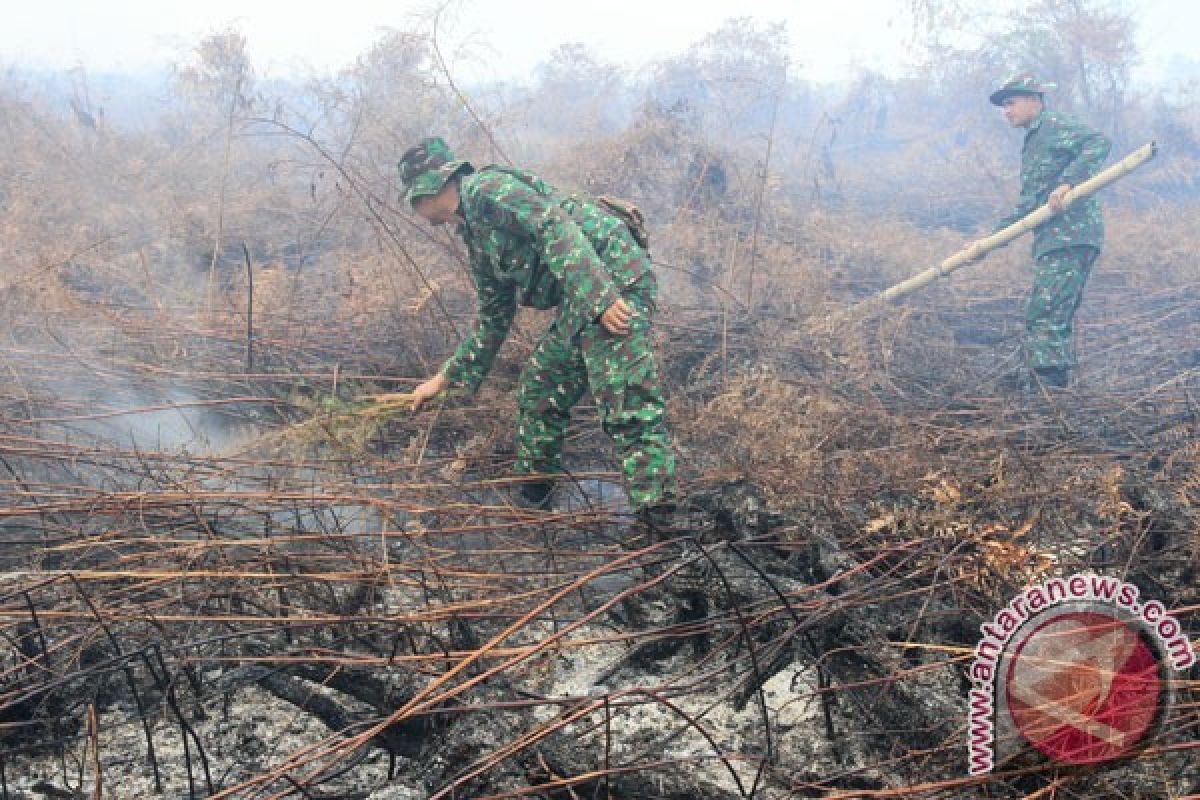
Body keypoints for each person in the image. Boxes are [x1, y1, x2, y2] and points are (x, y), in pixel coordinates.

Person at [398, 137, 678, 525]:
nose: (415, 209)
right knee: (539, 388)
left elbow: (551, 224)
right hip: (584, 299)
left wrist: (601, 298)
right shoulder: (476, 235)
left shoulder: (486, 189)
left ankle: (661, 525)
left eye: (413, 199)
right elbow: (494, 316)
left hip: (615, 283)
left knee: (626, 401)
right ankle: (534, 502)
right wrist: (443, 380)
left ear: (428, 189)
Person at [986, 73, 1111, 389]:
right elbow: (1029, 206)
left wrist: (1069, 181)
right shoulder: (1034, 140)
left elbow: (1098, 142)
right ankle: (1050, 385)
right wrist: (986, 244)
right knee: (1053, 313)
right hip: (1054, 239)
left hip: (1069, 235)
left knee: (1045, 314)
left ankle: (1049, 396)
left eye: (1011, 103)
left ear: (1034, 100)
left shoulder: (1053, 125)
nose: (1006, 111)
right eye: (1003, 106)